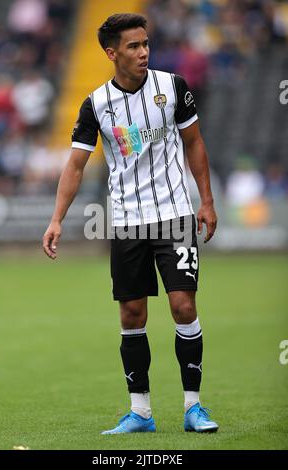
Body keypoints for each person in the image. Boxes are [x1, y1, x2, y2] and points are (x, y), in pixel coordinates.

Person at [43, 13, 218, 434]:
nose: (144, 52)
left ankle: (193, 407)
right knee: (132, 313)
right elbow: (75, 164)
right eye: (134, 46)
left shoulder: (173, 87)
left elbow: (194, 143)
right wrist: (56, 219)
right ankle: (140, 412)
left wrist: (206, 201)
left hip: (175, 213)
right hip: (126, 221)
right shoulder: (96, 104)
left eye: (146, 44)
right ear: (112, 53)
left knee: (183, 305)